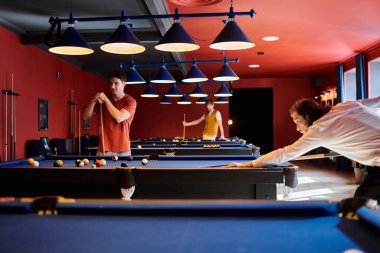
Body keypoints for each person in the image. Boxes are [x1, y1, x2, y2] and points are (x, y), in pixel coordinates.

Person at [228, 97, 380, 200]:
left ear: (307, 116)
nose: (297, 127)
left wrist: (251, 163)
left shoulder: (320, 129)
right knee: (362, 205)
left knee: (359, 207)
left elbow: (286, 153)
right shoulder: (345, 105)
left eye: (298, 121)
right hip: (376, 164)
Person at [83, 71, 137, 157]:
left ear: (124, 84)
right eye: (111, 83)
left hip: (123, 150)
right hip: (103, 149)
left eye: (116, 83)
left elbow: (119, 118)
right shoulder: (103, 100)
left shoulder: (130, 101)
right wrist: (93, 101)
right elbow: (86, 117)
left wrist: (106, 100)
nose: (112, 86)